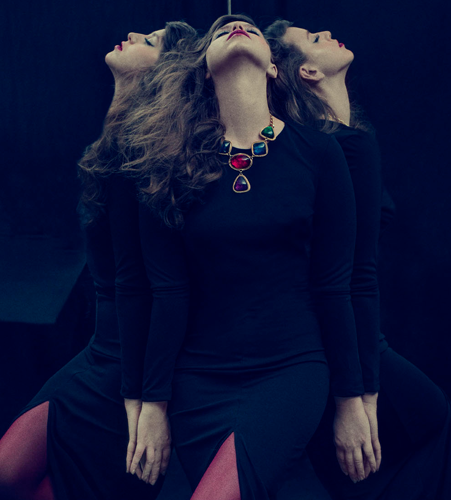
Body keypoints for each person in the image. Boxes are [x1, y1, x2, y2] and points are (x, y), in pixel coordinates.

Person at [116, 13, 382, 500]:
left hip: (291, 369)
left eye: (250, 29)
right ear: (203, 70)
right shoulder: (168, 163)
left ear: (274, 67)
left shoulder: (319, 153)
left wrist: (351, 400)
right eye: (220, 30)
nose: (235, 27)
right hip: (197, 380)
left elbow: (335, 286)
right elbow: (167, 293)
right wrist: (153, 404)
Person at [264, 19, 451, 499]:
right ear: (308, 72)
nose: (326, 34)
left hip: (323, 336)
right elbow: (354, 276)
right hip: (343, 338)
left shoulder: (323, 142)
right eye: (313, 40)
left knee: (363, 467)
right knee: (437, 426)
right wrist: (360, 394)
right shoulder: (346, 146)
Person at [0, 21, 197, 500]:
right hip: (99, 353)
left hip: (130, 366)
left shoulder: (150, 154)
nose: (133, 37)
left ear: (167, 71)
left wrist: (144, 397)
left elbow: (152, 287)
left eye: (150, 41)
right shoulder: (116, 140)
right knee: (12, 474)